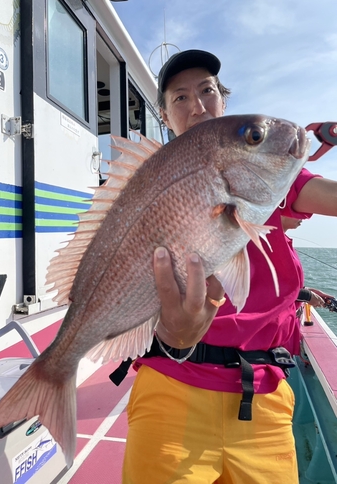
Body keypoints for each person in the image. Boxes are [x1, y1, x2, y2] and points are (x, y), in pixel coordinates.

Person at [121, 50, 337, 484]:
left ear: (223, 98)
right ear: (164, 115)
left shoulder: (265, 176)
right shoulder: (145, 186)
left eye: (207, 91)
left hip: (264, 395)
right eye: (180, 98)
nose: (197, 105)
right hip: (171, 384)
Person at [281, 216, 333, 311]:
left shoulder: (284, 242)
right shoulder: (264, 243)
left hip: (289, 319)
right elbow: (264, 289)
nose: (305, 217)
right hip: (273, 322)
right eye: (298, 212)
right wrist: (306, 295)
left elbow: (282, 282)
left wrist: (307, 290)